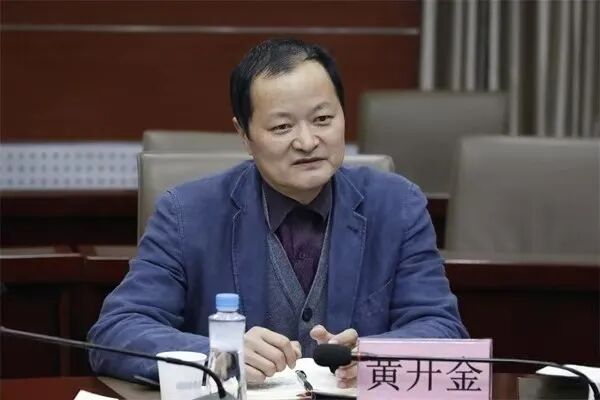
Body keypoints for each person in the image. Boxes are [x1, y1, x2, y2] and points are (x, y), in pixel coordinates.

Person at [88, 38, 468, 388]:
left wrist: (376, 356)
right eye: (283, 126)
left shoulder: (398, 206)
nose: (307, 141)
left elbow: (442, 329)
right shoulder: (186, 214)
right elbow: (116, 333)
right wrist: (221, 356)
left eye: (323, 119)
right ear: (244, 134)